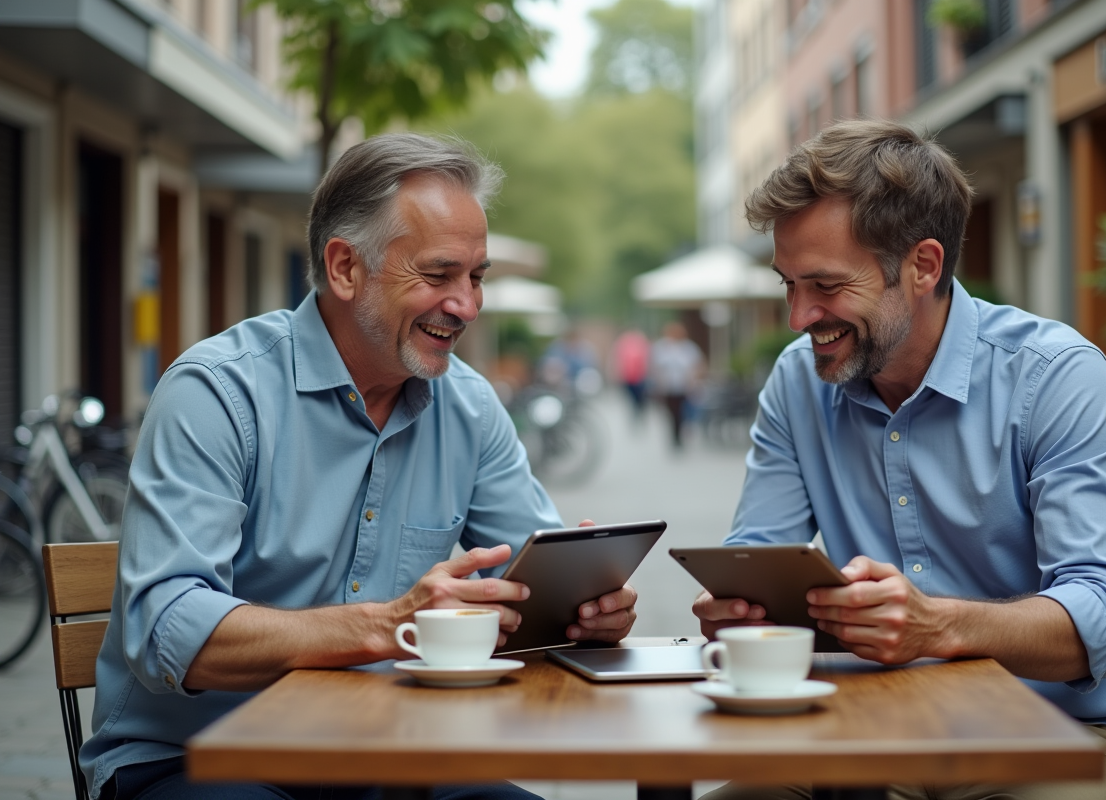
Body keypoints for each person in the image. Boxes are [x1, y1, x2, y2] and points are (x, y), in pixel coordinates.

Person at [80, 134, 638, 800]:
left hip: (390, 752)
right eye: (439, 275)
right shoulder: (216, 393)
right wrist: (389, 622)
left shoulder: (469, 405)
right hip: (194, 758)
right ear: (344, 268)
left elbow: (530, 578)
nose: (467, 305)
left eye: (477, 276)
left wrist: (584, 610)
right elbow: (169, 630)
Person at [692, 119, 1106, 800]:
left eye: (825, 286)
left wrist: (938, 625)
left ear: (923, 266)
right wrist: (743, 607)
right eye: (788, 284)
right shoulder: (798, 382)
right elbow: (757, 558)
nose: (799, 316)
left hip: (1069, 735)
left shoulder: (1056, 376)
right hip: (870, 733)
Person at [650, 322, 704, 449]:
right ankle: (674, 437)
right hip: (668, 387)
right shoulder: (661, 348)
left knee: (683, 412)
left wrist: (693, 380)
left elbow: (698, 365)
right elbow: (655, 367)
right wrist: (658, 382)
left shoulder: (689, 348)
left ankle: (681, 434)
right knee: (672, 413)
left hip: (684, 386)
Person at [612, 329, 651, 418]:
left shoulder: (641, 343)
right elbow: (619, 360)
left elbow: (646, 360)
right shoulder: (623, 344)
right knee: (631, 396)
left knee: (639, 396)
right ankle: (635, 411)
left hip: (639, 377)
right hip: (628, 376)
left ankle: (639, 410)